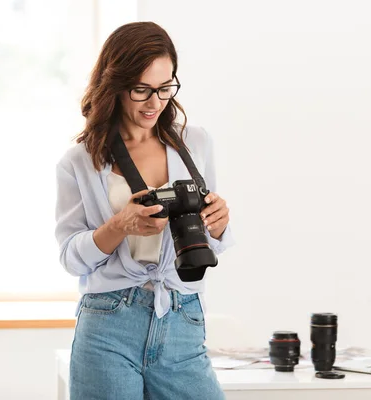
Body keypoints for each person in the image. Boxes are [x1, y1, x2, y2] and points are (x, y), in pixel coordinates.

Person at [55, 21, 233, 400]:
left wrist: (218, 224)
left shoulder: (195, 143)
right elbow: (71, 258)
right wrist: (120, 225)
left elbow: (207, 242)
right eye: (142, 90)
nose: (155, 102)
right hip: (108, 323)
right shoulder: (80, 162)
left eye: (166, 88)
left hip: (182, 316)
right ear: (116, 85)